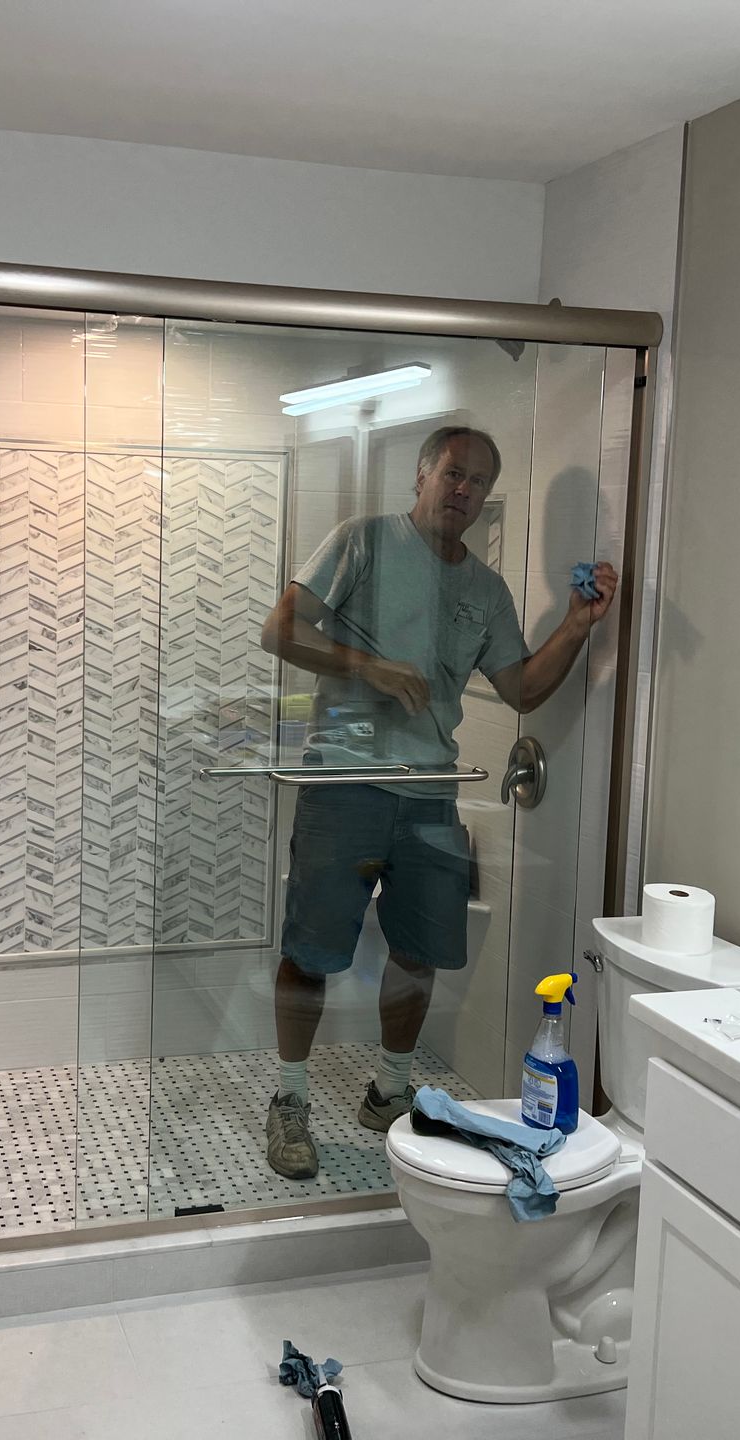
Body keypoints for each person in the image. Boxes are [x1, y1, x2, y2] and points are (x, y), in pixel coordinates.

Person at [257, 425, 618, 1179]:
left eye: (479, 482)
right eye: (454, 473)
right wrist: (371, 667)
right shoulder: (364, 541)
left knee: (419, 956)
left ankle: (388, 1092)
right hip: (344, 784)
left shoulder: (485, 591)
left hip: (431, 793)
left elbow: (522, 689)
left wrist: (579, 626)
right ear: (421, 475)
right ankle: (290, 1099)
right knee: (312, 952)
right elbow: (282, 630)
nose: (465, 490)